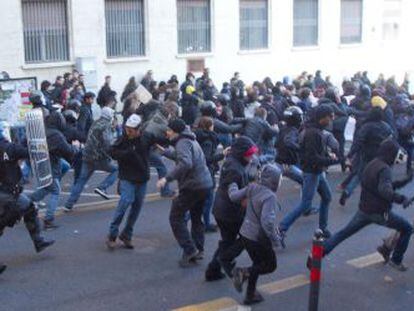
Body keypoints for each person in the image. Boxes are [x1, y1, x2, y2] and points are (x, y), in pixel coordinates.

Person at [317, 139, 413, 271]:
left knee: (343, 233)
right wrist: (402, 199)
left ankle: (317, 255)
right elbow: (385, 190)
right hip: (379, 212)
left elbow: (384, 186)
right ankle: (396, 260)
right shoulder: (385, 169)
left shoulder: (373, 163)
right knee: (407, 228)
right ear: (391, 154)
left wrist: (405, 181)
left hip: (364, 210)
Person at [278, 105, 339, 245]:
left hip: (316, 170)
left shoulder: (316, 130)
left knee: (327, 197)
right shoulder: (313, 133)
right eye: (330, 116)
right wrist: (331, 160)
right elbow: (312, 158)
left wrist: (327, 155)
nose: (332, 119)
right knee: (305, 204)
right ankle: (281, 228)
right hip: (312, 171)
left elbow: (314, 153)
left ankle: (323, 229)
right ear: (322, 117)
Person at [157, 118, 213, 267]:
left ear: (176, 132)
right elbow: (186, 157)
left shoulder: (182, 142)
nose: (167, 133)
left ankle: (190, 250)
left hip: (193, 186)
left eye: (169, 130)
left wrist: (166, 179)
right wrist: (166, 152)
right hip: (205, 184)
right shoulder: (190, 140)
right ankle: (198, 249)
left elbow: (186, 163)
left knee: (175, 217)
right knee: (196, 217)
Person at [0, 122, 54, 274]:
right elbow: (31, 152)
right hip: (8, 195)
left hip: (11, 194)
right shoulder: (10, 148)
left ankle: (39, 241)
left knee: (29, 208)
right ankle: (38, 241)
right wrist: (35, 141)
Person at [205, 136, 258, 280]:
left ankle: (213, 270)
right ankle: (226, 261)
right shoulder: (235, 169)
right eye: (249, 154)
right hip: (230, 212)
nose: (252, 157)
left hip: (222, 210)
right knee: (248, 236)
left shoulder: (234, 162)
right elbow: (233, 194)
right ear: (242, 153)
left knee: (227, 242)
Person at [229, 164, 282, 305]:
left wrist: (232, 184)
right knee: (270, 265)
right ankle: (243, 272)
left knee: (257, 264)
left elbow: (234, 197)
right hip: (258, 238)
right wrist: (276, 240)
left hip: (245, 234)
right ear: (274, 181)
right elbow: (267, 222)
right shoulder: (270, 196)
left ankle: (250, 294)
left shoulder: (252, 187)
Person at [106, 114, 156, 249]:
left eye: (132, 129)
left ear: (139, 129)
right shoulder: (123, 139)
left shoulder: (147, 137)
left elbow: (162, 139)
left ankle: (126, 235)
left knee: (137, 208)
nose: (129, 132)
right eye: (127, 128)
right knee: (125, 203)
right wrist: (127, 153)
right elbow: (112, 151)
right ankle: (112, 235)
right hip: (127, 176)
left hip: (142, 177)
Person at [64, 107, 118, 211]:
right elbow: (107, 142)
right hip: (99, 157)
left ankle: (69, 204)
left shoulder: (96, 122)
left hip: (87, 155)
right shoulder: (106, 125)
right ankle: (102, 187)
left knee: (81, 180)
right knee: (116, 170)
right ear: (109, 115)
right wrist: (112, 153)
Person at [30, 112, 78, 229]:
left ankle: (27, 200)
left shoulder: (42, 131)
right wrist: (76, 147)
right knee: (56, 191)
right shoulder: (56, 135)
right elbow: (68, 150)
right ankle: (48, 220)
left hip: (43, 162)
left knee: (64, 167)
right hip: (50, 164)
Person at [194, 117, 228, 232]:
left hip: (199, 171)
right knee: (207, 200)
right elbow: (207, 159)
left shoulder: (197, 136)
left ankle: (204, 223)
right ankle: (205, 223)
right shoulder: (208, 141)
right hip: (207, 171)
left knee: (201, 200)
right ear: (209, 126)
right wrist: (222, 155)